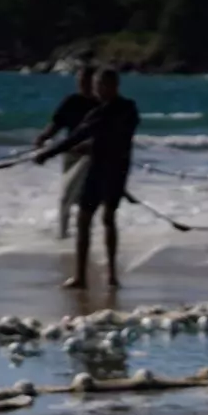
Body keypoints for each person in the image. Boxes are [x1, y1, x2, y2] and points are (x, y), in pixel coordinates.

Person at [34, 68, 140, 289]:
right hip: (117, 170)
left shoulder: (115, 110)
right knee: (98, 220)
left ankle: (96, 276)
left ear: (112, 86)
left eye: (99, 86)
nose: (95, 90)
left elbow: (87, 137)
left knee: (93, 220)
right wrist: (54, 147)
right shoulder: (125, 109)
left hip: (103, 171)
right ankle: (97, 276)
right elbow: (79, 137)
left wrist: (48, 154)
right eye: (94, 86)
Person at [35, 66, 99, 239]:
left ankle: (81, 234)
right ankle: (65, 234)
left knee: (74, 196)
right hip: (70, 153)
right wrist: (44, 137)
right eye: (80, 81)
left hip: (91, 157)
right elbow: (57, 123)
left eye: (87, 81)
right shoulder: (72, 100)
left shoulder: (101, 105)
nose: (83, 85)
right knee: (69, 196)